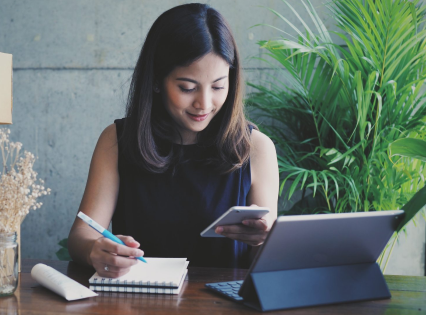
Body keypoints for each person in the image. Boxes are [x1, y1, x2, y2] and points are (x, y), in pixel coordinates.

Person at [68, 3, 279, 277]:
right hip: (137, 300)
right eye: (187, 87)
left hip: (220, 303)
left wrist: (263, 240)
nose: (204, 103)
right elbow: (80, 235)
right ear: (156, 80)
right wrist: (95, 249)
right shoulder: (117, 141)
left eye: (218, 86)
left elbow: (266, 258)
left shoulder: (256, 148)